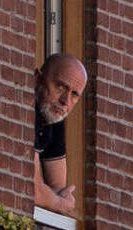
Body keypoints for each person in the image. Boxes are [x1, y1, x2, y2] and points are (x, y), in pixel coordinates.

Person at [33, 55, 87, 218]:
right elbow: (30, 189)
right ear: (37, 80)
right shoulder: (26, 109)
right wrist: (59, 204)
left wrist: (54, 199)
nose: (65, 101)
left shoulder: (52, 116)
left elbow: (59, 189)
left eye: (74, 94)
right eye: (61, 87)